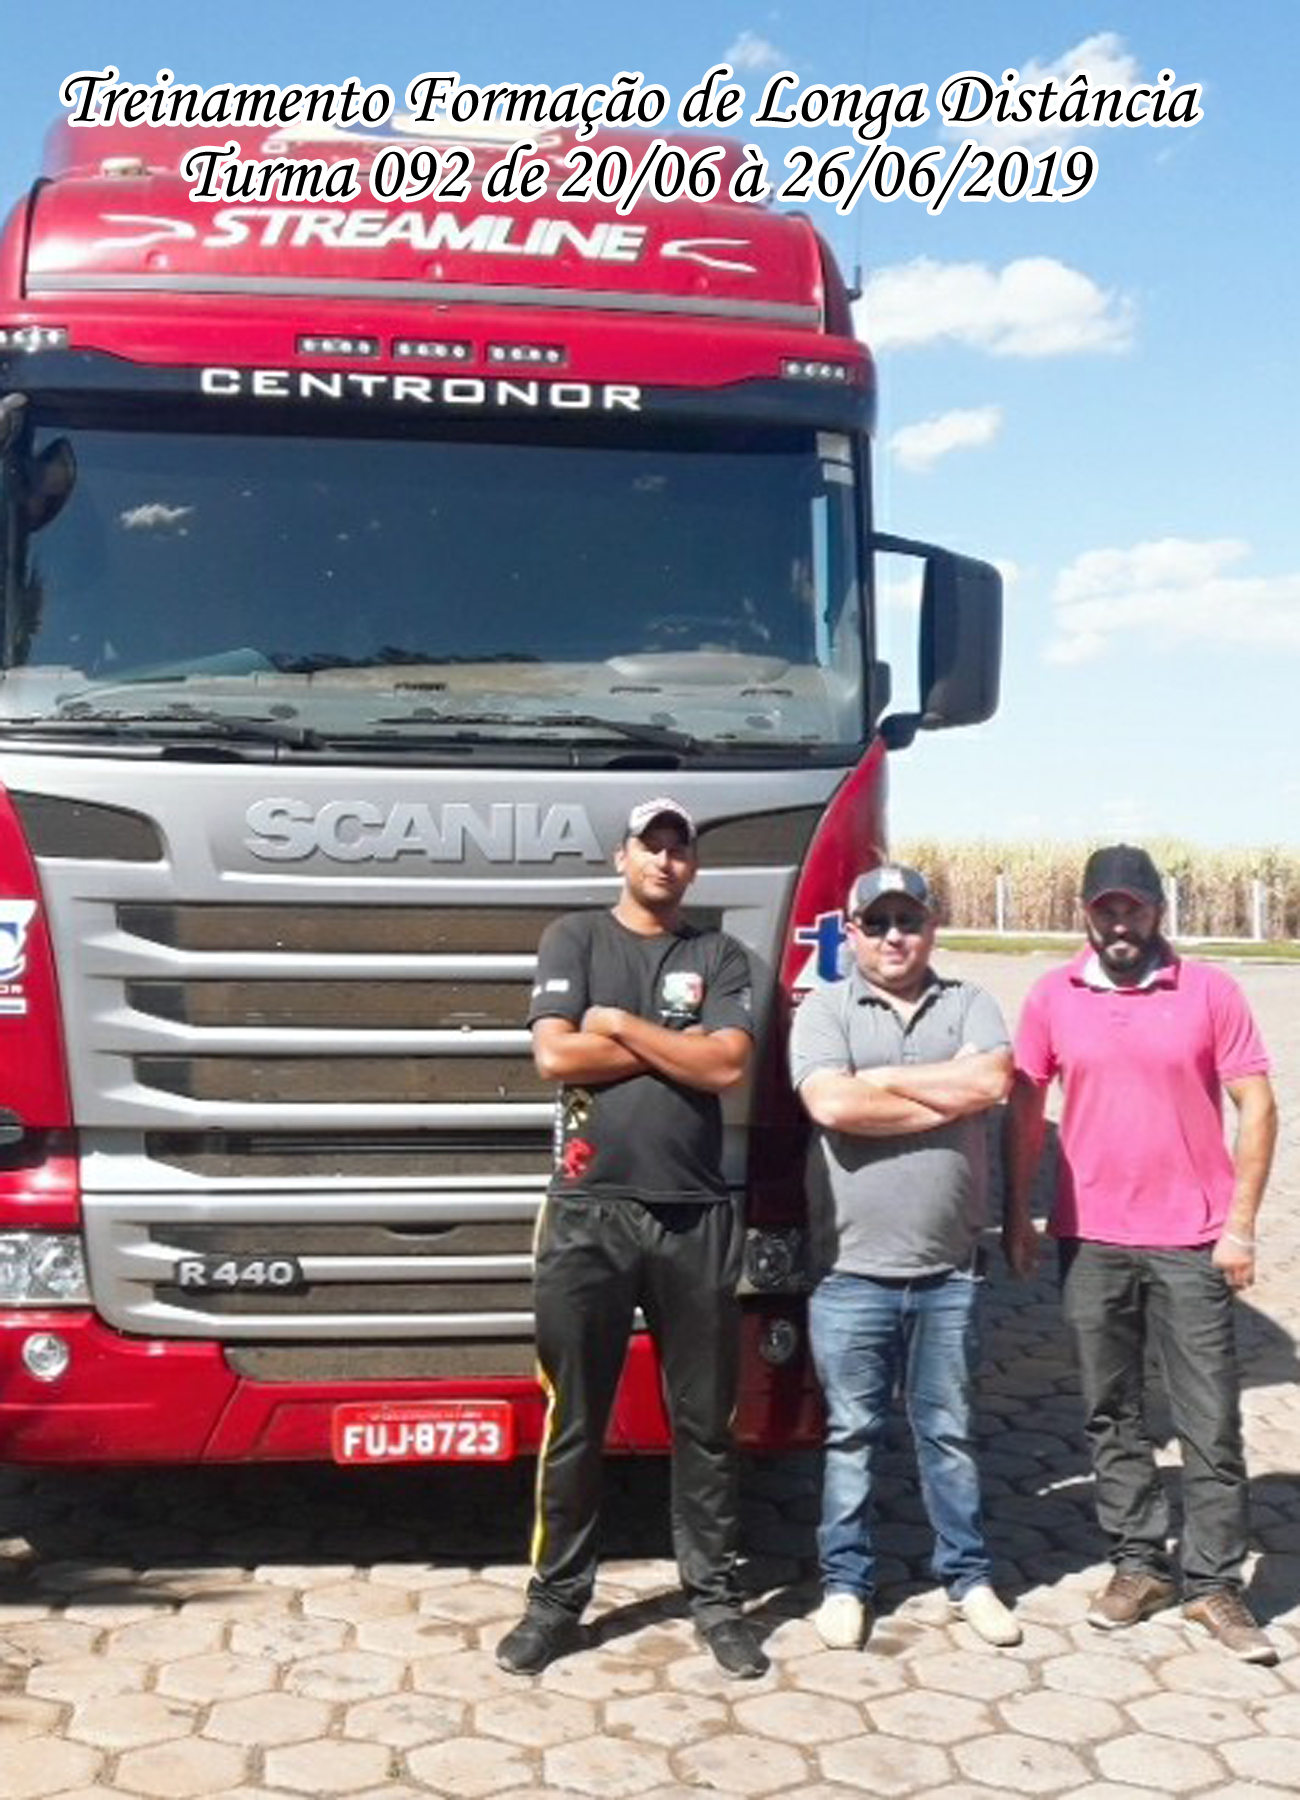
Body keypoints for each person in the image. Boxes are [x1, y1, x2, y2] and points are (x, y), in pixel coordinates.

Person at [495, 797, 769, 1680]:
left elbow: (726, 1065)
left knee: (706, 1425)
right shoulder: (572, 939)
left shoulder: (720, 954)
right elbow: (556, 1058)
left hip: (695, 1216)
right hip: (587, 1212)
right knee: (574, 1420)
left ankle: (716, 1600)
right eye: (651, 846)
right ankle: (555, 1602)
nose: (665, 860)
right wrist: (673, 1043)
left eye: (679, 848)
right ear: (622, 857)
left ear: (693, 867)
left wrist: (615, 1024)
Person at [1005, 844, 1279, 1664]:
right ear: (1087, 915)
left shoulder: (1209, 991)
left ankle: (1214, 1584)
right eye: (1106, 909)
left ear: (1157, 911)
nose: (1120, 922)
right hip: (1091, 1240)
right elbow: (1024, 1109)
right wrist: (1018, 1213)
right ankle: (1139, 1565)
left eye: (1134, 907)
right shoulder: (1052, 996)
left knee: (1209, 1418)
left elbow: (1258, 1105)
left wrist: (1240, 1225)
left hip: (1191, 1241)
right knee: (1111, 1410)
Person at [789, 863, 1021, 1652]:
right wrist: (940, 1094)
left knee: (947, 1434)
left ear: (931, 929)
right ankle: (845, 1584)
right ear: (852, 932)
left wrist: (882, 1080)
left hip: (948, 1272)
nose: (895, 937)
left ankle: (968, 1576)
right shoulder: (825, 1009)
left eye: (909, 921)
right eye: (878, 922)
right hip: (849, 1274)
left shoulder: (969, 1002)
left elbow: (991, 1081)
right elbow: (831, 1102)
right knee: (852, 1437)